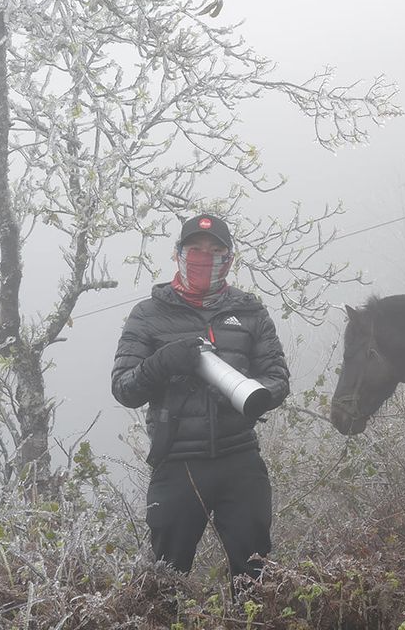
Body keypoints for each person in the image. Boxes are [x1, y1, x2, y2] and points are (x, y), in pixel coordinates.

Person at [111, 213, 290, 584]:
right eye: (195, 249)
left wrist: (247, 396)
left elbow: (277, 378)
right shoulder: (147, 315)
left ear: (230, 258)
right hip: (177, 463)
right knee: (166, 578)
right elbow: (124, 389)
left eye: (215, 250)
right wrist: (161, 363)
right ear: (178, 253)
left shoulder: (249, 311)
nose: (204, 257)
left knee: (255, 577)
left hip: (240, 460)